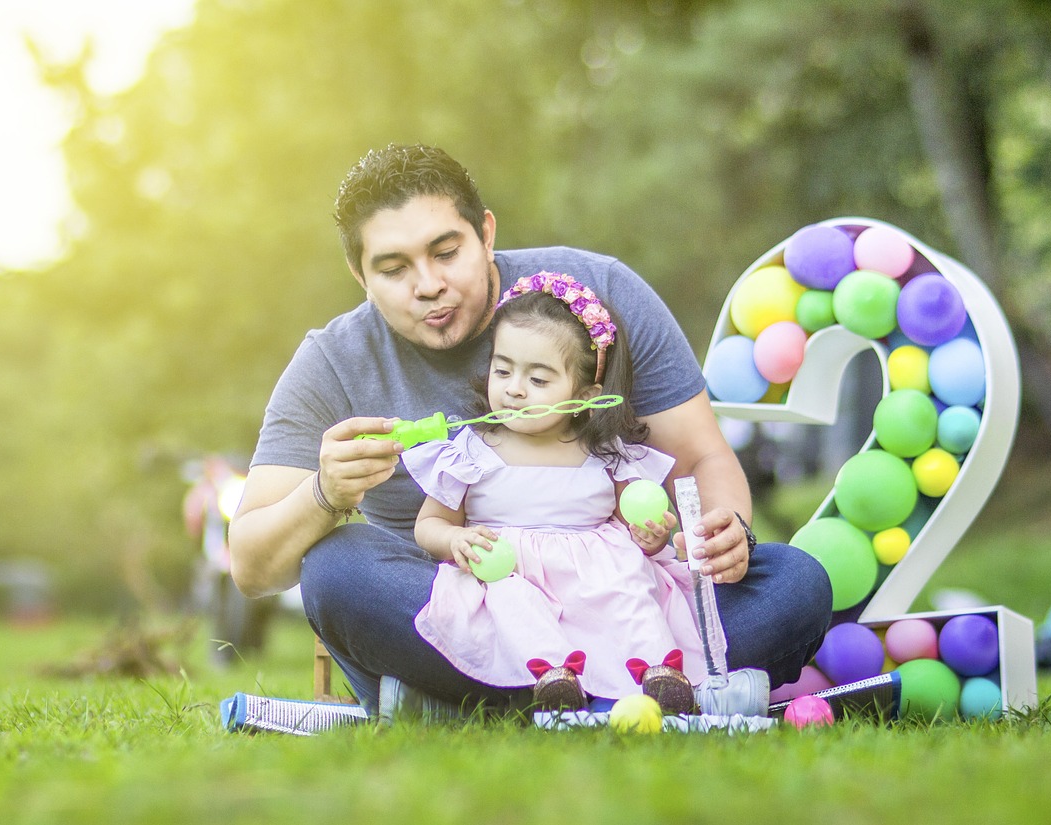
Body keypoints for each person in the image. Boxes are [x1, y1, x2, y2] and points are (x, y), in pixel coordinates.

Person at [228, 142, 832, 716]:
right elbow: (254, 569)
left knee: (795, 583)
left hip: (621, 597)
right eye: (393, 269)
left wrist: (724, 536)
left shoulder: (602, 294)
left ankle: (467, 709)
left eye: (446, 252)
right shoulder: (333, 362)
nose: (428, 285)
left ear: (486, 234)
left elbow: (702, 460)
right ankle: (639, 698)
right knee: (338, 569)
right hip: (472, 607)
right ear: (361, 278)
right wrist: (326, 495)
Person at [402, 272, 706, 709]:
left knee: (631, 588)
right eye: (502, 370)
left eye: (539, 381)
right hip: (506, 569)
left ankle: (660, 671)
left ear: (585, 394)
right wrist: (455, 539)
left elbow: (632, 522)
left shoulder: (603, 453)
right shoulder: (473, 449)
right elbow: (429, 523)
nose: (514, 389)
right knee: (511, 599)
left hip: (596, 578)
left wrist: (651, 535)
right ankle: (554, 676)